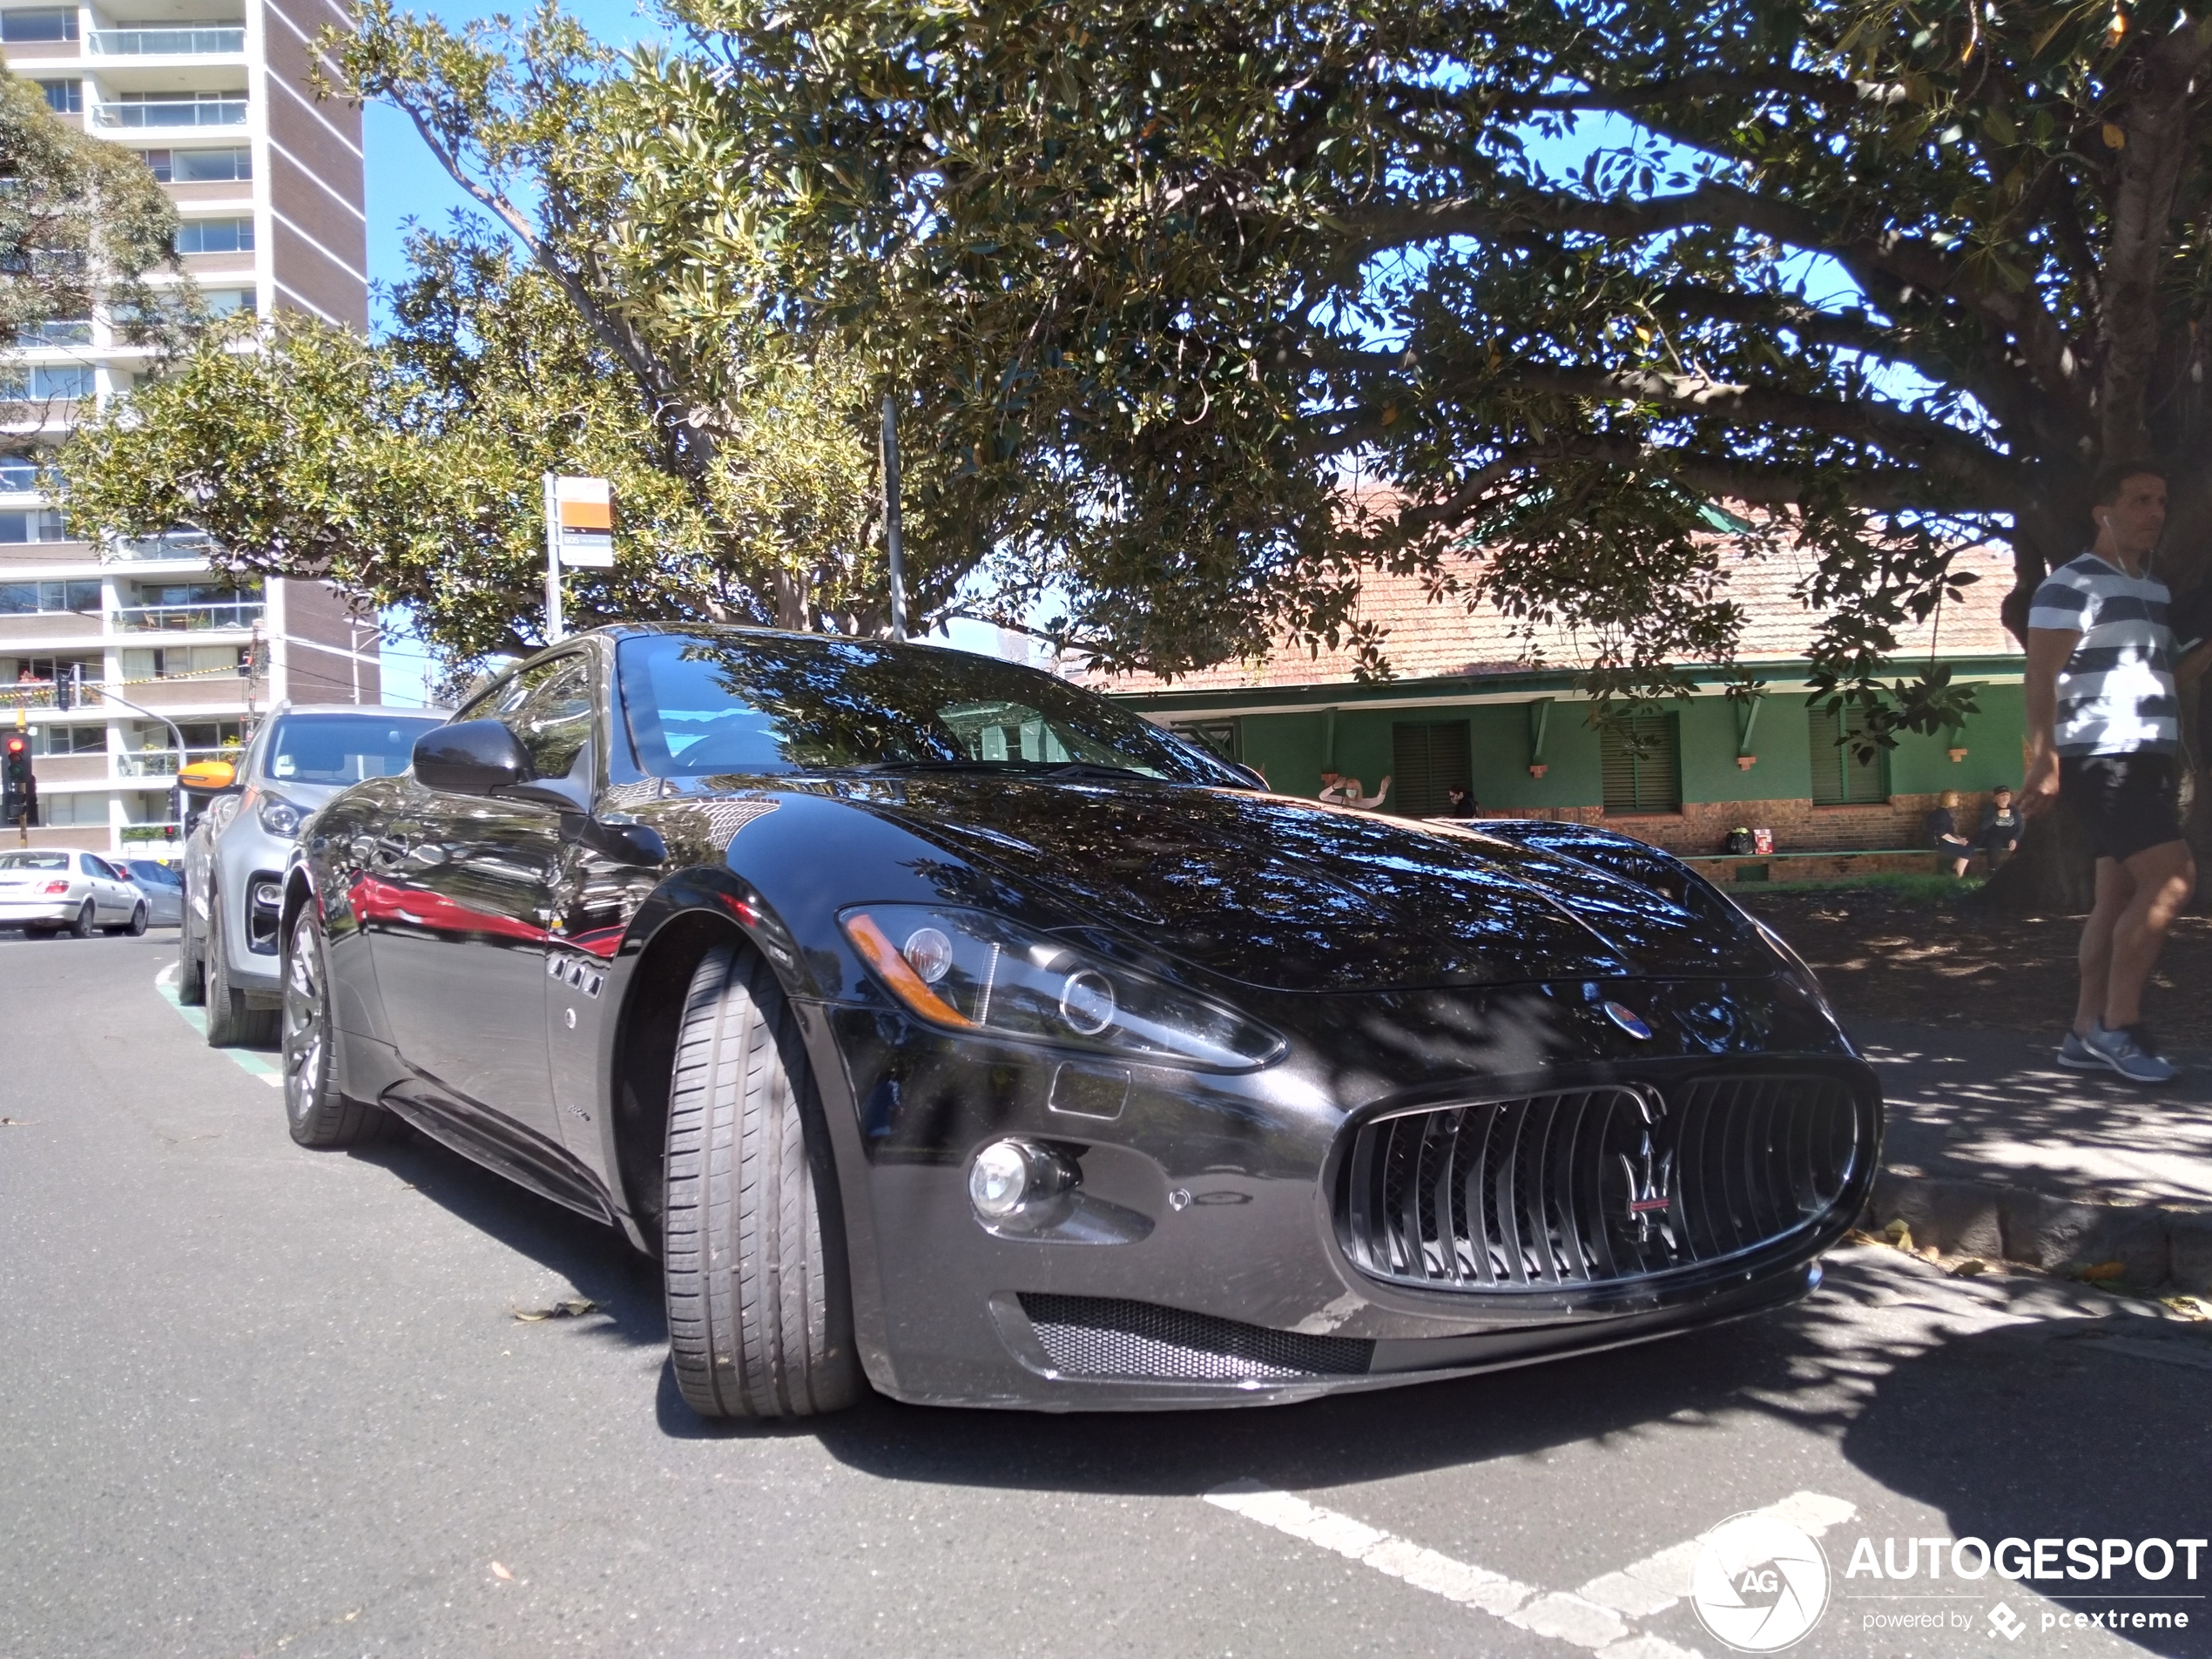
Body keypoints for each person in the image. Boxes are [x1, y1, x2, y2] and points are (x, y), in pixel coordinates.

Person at [2023, 462, 2212, 1082]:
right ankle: (2119, 1024)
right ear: (2103, 511)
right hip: (2100, 757)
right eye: (2139, 500)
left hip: (2145, 755)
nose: (2155, 512)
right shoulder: (2071, 585)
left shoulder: (2153, 593)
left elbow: (2163, 676)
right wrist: (2045, 759)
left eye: (2160, 500)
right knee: (2173, 877)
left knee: (2117, 897)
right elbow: (2040, 677)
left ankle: (2083, 1031)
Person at [1924, 790, 1974, 878]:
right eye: (1955, 797)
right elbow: (1942, 833)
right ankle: (1958, 875)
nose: (1957, 800)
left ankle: (1955, 871)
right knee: (1966, 851)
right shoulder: (1941, 814)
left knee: (1970, 846)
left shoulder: (1948, 812)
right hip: (1937, 842)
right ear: (1947, 799)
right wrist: (1957, 842)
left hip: (1944, 841)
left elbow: (1950, 831)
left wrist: (1959, 839)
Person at [1977, 786, 2023, 867]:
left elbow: (2021, 827)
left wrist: (2015, 839)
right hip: (1995, 837)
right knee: (1993, 848)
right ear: (1996, 797)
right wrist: (1996, 816)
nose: (2005, 796)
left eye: (2007, 794)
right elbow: (1983, 826)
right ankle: (1992, 871)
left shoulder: (2014, 809)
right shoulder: (1990, 809)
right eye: (2002, 795)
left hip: (2011, 837)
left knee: (2025, 846)